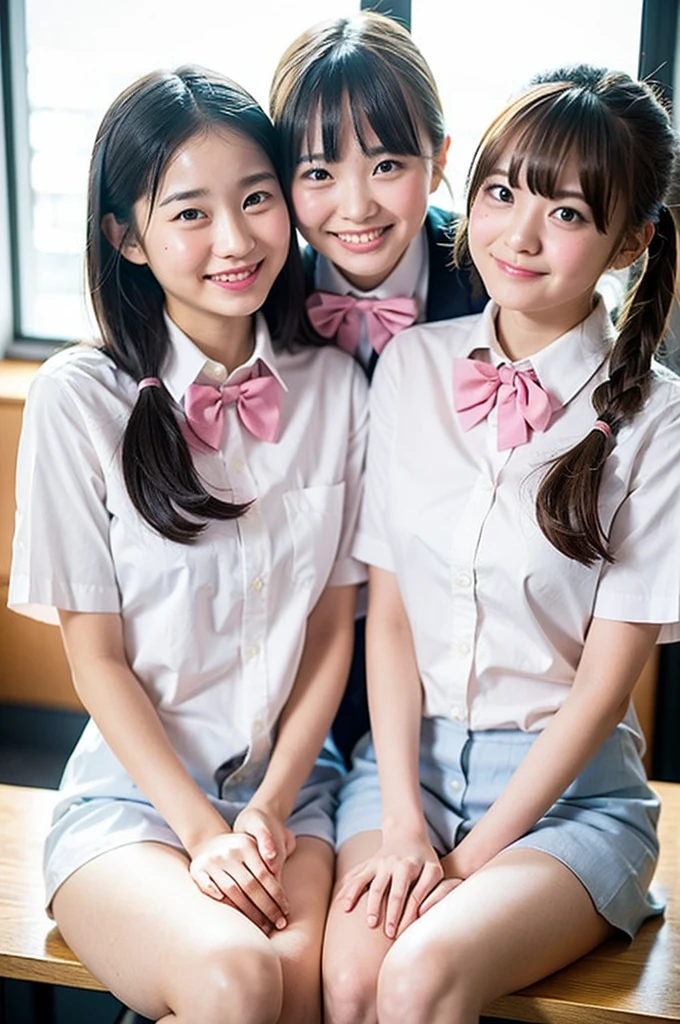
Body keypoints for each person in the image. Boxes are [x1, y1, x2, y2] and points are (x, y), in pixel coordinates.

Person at [8, 65, 367, 1024]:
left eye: (256, 199)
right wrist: (205, 831)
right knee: (237, 980)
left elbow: (333, 632)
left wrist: (264, 807)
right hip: (132, 802)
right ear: (126, 236)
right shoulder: (78, 401)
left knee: (295, 987)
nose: (238, 240)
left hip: (291, 795)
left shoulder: (338, 392)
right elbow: (95, 659)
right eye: (190, 213)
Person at [323, 66, 680, 1024]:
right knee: (350, 981)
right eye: (501, 191)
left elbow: (607, 687)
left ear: (631, 241)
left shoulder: (660, 422)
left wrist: (468, 865)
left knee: (416, 977)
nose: (518, 234)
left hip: (571, 799)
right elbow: (389, 620)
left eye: (566, 212)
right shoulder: (411, 367)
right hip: (409, 774)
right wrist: (405, 824)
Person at [269, 11, 487, 761]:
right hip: (291, 662)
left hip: (459, 661)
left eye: (388, 165)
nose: (355, 206)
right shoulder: (255, 296)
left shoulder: (499, 282)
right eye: (318, 174)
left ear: (442, 156)